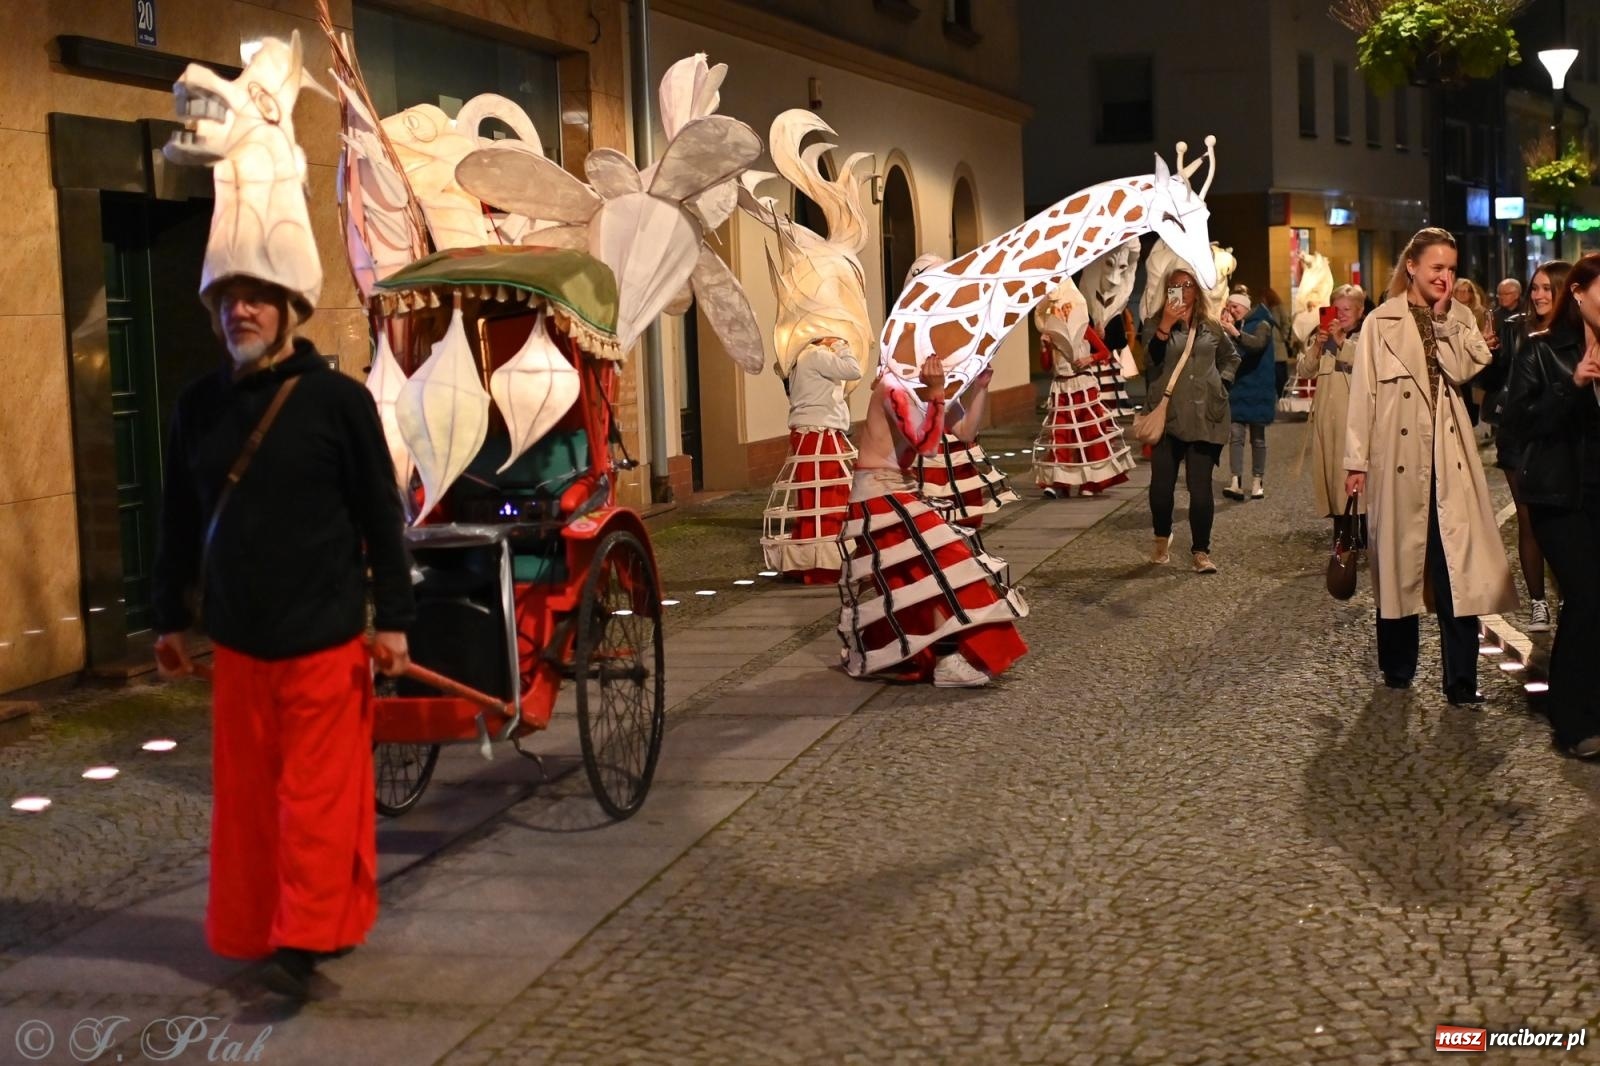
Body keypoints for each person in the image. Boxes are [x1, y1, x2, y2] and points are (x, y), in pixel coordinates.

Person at [151, 38, 413, 996]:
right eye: (230, 297)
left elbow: (380, 516)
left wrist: (393, 621)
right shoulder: (194, 406)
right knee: (252, 807)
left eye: (260, 296)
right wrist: (166, 617)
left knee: (312, 801)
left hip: (322, 640)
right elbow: (181, 516)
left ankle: (304, 944)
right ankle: (271, 926)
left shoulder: (337, 403)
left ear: (292, 303)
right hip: (239, 645)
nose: (243, 311)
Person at [1343, 228, 1517, 705]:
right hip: (1397, 458)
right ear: (1412, 267)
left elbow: (1464, 370)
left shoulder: (1460, 316)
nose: (1445, 276)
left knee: (1454, 569)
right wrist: (1355, 461)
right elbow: (1363, 397)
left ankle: (1461, 680)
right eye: (1436, 267)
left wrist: (1446, 323)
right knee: (1398, 563)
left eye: (1451, 268)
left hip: (1449, 454)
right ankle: (1398, 668)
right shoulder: (1380, 322)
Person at [837, 358, 1028, 687]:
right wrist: (938, 392)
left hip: (899, 494)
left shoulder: (923, 389)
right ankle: (947, 657)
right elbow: (925, 445)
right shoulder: (893, 386)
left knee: (929, 579)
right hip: (878, 497)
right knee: (946, 567)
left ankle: (938, 655)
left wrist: (980, 388)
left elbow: (966, 432)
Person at [1498, 252, 1600, 757]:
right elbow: (1518, 422)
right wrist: (1573, 385)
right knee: (1585, 596)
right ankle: (1571, 718)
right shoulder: (1541, 350)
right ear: (1579, 293)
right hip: (1560, 495)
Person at [1139, 266, 1241, 573]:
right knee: (1160, 489)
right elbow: (1149, 360)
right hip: (1168, 419)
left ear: (1196, 291)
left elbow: (1231, 357)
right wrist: (1166, 325)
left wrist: (1222, 383)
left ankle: (1201, 551)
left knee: (1200, 489)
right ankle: (1161, 539)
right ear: (1167, 291)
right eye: (1175, 286)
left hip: (1206, 416)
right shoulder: (1154, 323)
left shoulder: (1211, 326)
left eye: (1187, 285)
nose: (1181, 291)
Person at [1492, 261, 1570, 633]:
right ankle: (1539, 602)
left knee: (1561, 520)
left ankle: (1568, 592)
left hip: (1560, 437)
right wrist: (1486, 352)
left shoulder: (1578, 329)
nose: (1538, 296)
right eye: (1534, 288)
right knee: (1528, 520)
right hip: (1519, 438)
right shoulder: (1513, 328)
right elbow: (1494, 377)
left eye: (1546, 289)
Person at [761, 338, 862, 582]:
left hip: (809, 433)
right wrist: (841, 347)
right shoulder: (816, 356)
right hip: (820, 433)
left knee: (813, 498)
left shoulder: (796, 361)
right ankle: (824, 565)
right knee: (827, 495)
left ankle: (811, 560)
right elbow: (854, 370)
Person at [1031, 278, 1134, 497]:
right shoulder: (1051, 335)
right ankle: (1060, 482)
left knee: (1088, 434)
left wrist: (1089, 359)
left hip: (1083, 385)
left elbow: (1104, 352)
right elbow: (1047, 365)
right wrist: (1044, 348)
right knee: (1061, 434)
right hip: (1061, 387)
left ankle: (1091, 481)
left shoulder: (1084, 329)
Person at [1309, 285, 1367, 535]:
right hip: (1326, 423)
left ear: (1360, 311)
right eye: (1337, 308)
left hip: (1352, 423)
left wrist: (1341, 342)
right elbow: (1305, 370)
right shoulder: (1324, 335)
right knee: (1332, 481)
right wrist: (1316, 347)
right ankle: (1341, 534)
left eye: (1347, 309)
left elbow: (1366, 364)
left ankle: (1359, 535)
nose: (1341, 314)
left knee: (1351, 480)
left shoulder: (1365, 336)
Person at [1219, 286, 1276, 501]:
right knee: (1236, 436)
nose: (1231, 310)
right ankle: (1235, 480)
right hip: (1239, 387)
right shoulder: (1238, 325)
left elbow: (1257, 345)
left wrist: (1234, 332)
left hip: (1258, 388)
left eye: (1234, 306)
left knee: (1258, 438)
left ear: (1243, 306)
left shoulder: (1262, 323)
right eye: (1229, 307)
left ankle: (1257, 481)